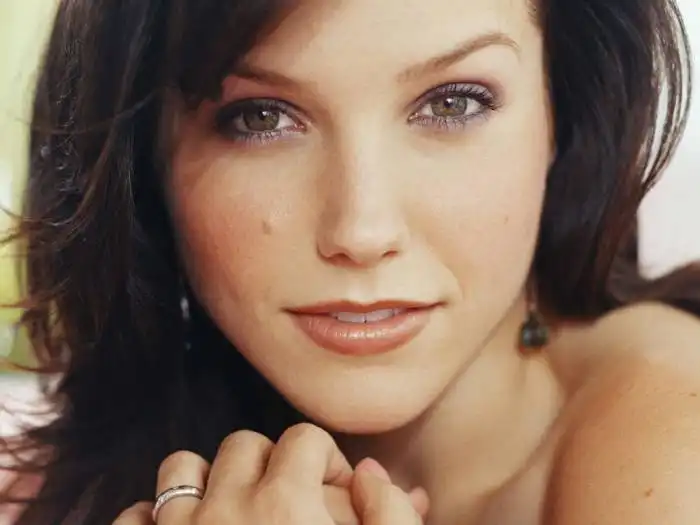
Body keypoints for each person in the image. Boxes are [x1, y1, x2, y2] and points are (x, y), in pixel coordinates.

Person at [1, 0, 700, 523]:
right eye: (261, 117)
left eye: (452, 103)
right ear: (145, 162)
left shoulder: (672, 453)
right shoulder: (67, 476)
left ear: (562, 117)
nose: (362, 231)